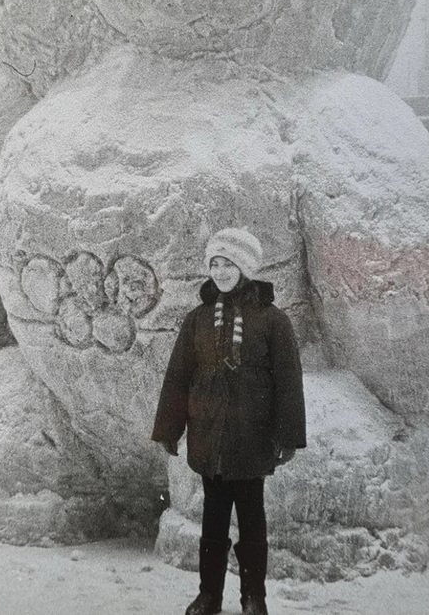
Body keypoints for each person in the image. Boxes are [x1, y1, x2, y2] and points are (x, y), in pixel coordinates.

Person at [151, 227, 306, 615]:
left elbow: (288, 381)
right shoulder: (197, 320)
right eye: (214, 264)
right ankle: (209, 596)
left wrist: (287, 436)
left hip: (252, 439)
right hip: (209, 439)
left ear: (245, 267)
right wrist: (171, 428)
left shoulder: (273, 321)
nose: (220, 272)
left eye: (228, 263)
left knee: (252, 520)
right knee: (213, 522)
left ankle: (254, 597)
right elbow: (178, 377)